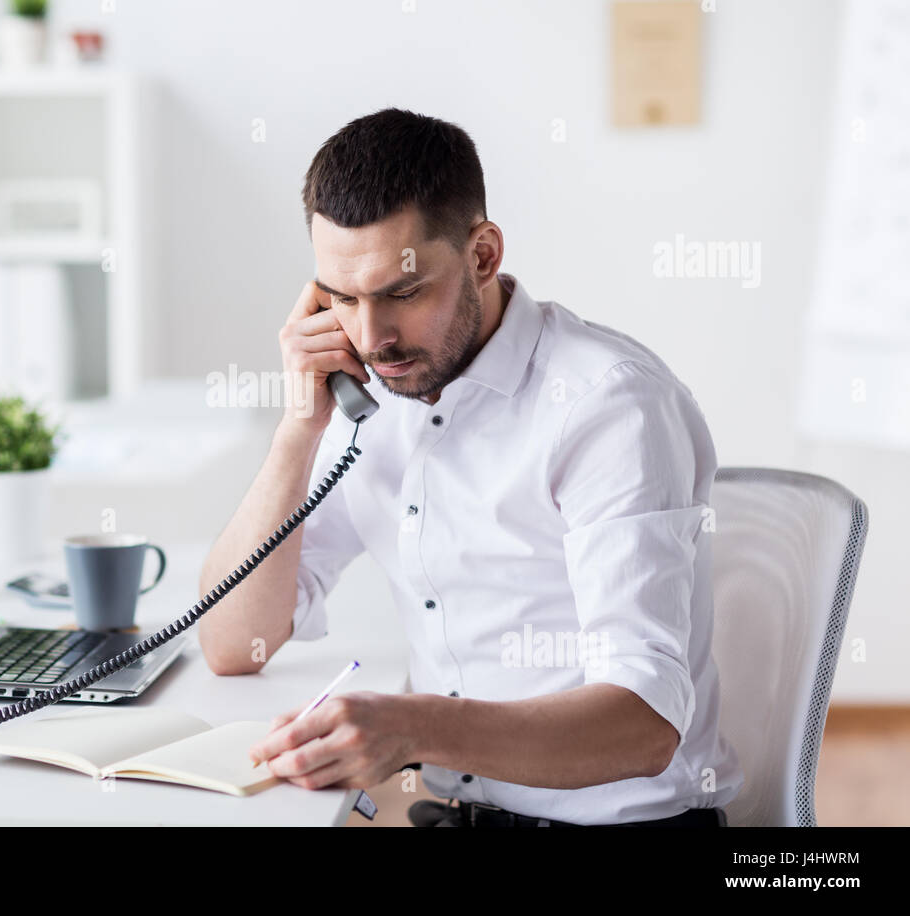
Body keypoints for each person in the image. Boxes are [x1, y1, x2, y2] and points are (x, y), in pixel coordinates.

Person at [197, 107, 742, 827]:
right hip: (461, 813)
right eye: (342, 298)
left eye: (402, 291)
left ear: (483, 254)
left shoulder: (608, 407)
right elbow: (234, 643)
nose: (372, 335)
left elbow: (645, 726)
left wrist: (416, 728)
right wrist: (299, 428)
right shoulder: (377, 393)